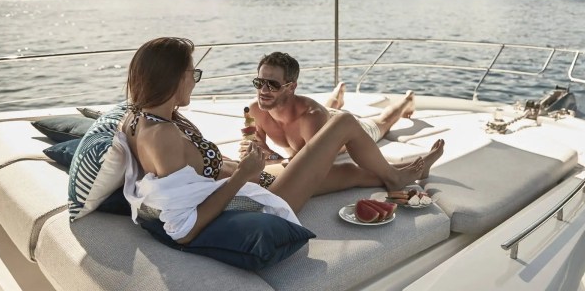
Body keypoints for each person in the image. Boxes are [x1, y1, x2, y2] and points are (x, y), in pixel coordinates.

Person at [119, 37, 444, 244]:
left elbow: (192, 175)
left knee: (345, 174)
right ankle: (396, 176)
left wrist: (250, 166)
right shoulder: (160, 135)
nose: (195, 80)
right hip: (258, 198)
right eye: (193, 73)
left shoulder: (142, 116)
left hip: (251, 180)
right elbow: (184, 230)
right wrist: (245, 175)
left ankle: (405, 170)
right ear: (173, 77)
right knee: (343, 122)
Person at [244, 51, 416, 160]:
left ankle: (406, 101)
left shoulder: (311, 118)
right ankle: (336, 98)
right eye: (259, 82)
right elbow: (254, 145)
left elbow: (308, 168)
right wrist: (264, 152)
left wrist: (269, 155)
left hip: (343, 127)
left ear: (291, 87)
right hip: (321, 115)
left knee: (383, 122)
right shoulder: (254, 110)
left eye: (272, 84)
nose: (263, 90)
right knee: (324, 113)